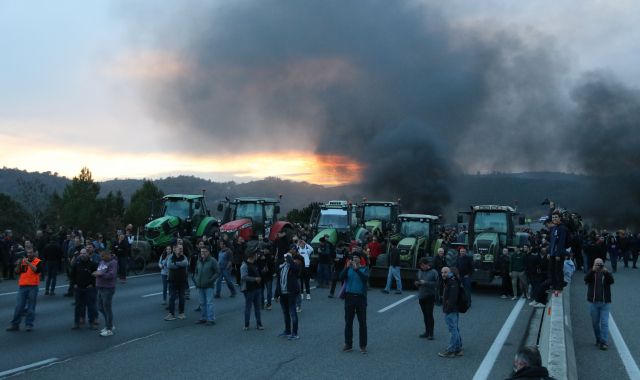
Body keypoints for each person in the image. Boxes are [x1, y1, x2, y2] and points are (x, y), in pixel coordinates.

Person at [6, 246, 44, 332]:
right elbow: (17, 272)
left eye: (31, 252)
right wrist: (19, 263)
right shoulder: (23, 261)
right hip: (22, 286)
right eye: (28, 252)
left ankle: (29, 324)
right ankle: (15, 324)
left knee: (31, 307)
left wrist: (28, 263)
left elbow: (36, 271)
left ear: (34, 253)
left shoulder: (38, 261)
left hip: (33, 287)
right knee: (19, 306)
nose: (29, 254)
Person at [341, 252, 370, 354]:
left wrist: (357, 270)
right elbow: (341, 277)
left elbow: (365, 278)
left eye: (356, 257)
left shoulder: (364, 269)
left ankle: (363, 346)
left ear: (360, 259)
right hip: (349, 297)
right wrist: (346, 268)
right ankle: (348, 344)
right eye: (353, 258)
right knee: (348, 322)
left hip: (360, 298)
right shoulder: (349, 268)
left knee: (362, 322)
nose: (354, 259)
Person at [584, 258, 614, 350]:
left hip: (605, 303)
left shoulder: (606, 273)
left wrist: (607, 273)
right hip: (594, 303)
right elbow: (585, 279)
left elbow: (612, 281)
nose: (599, 265)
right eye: (597, 264)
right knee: (595, 323)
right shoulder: (591, 273)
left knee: (604, 323)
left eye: (600, 264)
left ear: (603, 264)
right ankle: (598, 339)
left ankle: (604, 342)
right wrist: (592, 271)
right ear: (593, 264)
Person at [276, 246, 301, 340]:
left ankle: (295, 333)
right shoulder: (282, 267)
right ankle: (287, 331)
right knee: (285, 313)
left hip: (291, 293)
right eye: (285, 257)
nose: (285, 258)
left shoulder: (294, 266)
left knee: (293, 313)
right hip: (283, 293)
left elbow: (296, 269)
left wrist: (290, 259)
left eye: (287, 257)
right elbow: (279, 280)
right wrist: (277, 293)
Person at [70, 248, 99, 330]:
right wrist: (74, 284)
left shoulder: (93, 264)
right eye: (81, 253)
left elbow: (96, 275)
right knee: (78, 306)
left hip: (89, 288)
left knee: (91, 306)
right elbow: (72, 275)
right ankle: (76, 323)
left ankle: (91, 323)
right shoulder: (77, 263)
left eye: (84, 253)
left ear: (87, 254)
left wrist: (92, 284)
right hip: (79, 288)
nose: (82, 255)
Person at [438, 266, 463, 358]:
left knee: (452, 329)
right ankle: (458, 349)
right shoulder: (451, 280)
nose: (443, 274)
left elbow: (452, 298)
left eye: (445, 272)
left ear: (449, 272)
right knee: (455, 328)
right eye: (442, 272)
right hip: (453, 309)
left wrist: (447, 309)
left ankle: (451, 351)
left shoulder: (452, 281)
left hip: (451, 309)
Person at [93, 250, 118, 337]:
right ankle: (109, 324)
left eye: (103, 256)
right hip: (100, 287)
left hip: (108, 288)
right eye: (101, 256)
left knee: (107, 308)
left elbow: (112, 274)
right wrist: (97, 273)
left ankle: (109, 329)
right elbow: (100, 270)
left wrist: (100, 274)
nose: (102, 258)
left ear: (108, 255)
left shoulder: (113, 262)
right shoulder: (102, 262)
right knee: (100, 307)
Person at [194, 247, 220, 326]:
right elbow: (196, 271)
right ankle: (203, 318)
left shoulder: (212, 260)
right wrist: (196, 279)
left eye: (205, 251)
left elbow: (217, 272)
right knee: (202, 303)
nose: (203, 253)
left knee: (209, 303)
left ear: (208, 252)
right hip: (200, 285)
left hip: (209, 285)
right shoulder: (199, 260)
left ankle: (210, 319)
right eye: (202, 251)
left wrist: (210, 280)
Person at [416, 257, 438, 340]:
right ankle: (426, 332)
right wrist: (417, 283)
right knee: (425, 315)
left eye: (422, 265)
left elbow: (437, 284)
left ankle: (431, 334)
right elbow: (417, 280)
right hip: (421, 296)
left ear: (427, 264)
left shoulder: (434, 272)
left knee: (429, 314)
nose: (421, 267)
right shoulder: (419, 271)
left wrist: (426, 283)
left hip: (430, 296)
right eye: (420, 265)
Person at [241, 250, 263, 330]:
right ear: (252, 256)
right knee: (248, 307)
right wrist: (255, 279)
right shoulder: (244, 265)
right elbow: (243, 277)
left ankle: (259, 324)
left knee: (257, 307)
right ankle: (246, 325)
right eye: (256, 255)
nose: (257, 256)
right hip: (249, 289)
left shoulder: (255, 264)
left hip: (257, 288)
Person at [165, 243, 188, 321]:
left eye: (182, 248)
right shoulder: (171, 257)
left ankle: (181, 313)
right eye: (180, 248)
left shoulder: (184, 257)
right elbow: (169, 265)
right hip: (172, 280)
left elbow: (186, 263)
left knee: (182, 297)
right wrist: (180, 265)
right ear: (175, 249)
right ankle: (171, 314)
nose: (181, 250)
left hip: (182, 280)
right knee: (172, 297)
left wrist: (176, 264)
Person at [548, 211, 568, 296]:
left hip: (558, 254)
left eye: (556, 217)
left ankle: (559, 288)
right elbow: (551, 241)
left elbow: (561, 242)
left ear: (560, 218)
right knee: (552, 270)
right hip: (552, 253)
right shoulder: (553, 228)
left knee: (558, 270)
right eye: (553, 217)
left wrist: (558, 254)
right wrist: (549, 252)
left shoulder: (562, 228)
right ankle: (554, 286)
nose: (554, 219)